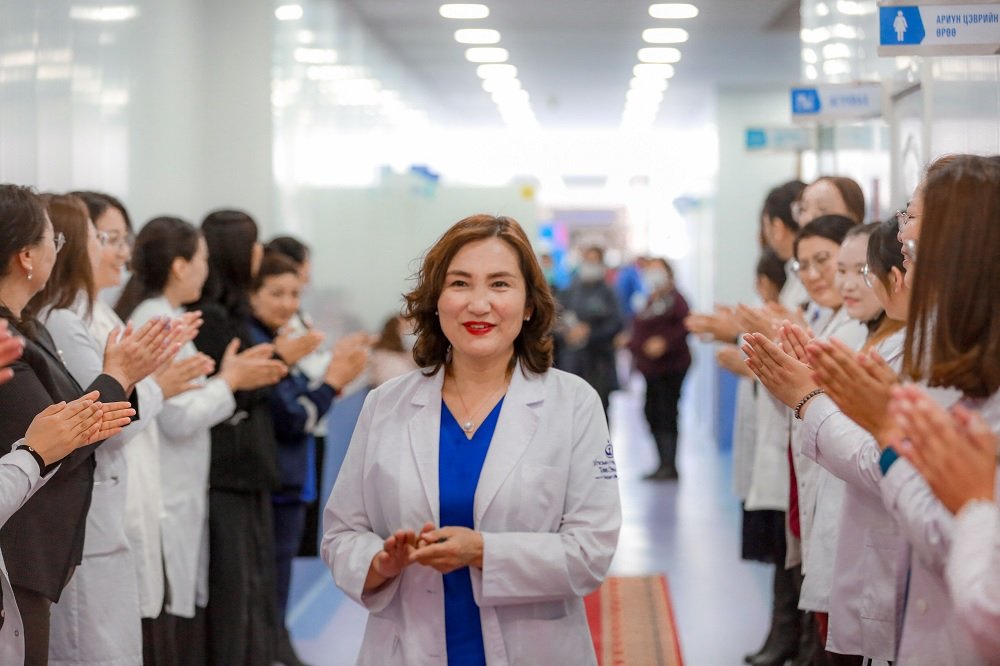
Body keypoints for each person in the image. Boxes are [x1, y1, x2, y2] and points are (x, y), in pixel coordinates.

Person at [322, 214, 621, 665]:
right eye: (460, 284)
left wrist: (483, 551)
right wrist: (380, 563)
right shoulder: (387, 404)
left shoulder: (573, 403)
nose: (479, 304)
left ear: (528, 305)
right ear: (436, 301)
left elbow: (591, 550)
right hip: (408, 647)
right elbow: (342, 533)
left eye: (500, 284)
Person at [37, 193, 198, 666]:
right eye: (103, 239)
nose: (117, 251)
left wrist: (149, 376)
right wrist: (157, 384)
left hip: (114, 505)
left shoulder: (92, 314)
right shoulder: (65, 322)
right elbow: (104, 417)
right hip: (91, 511)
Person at [116, 215, 285, 665]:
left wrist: (227, 380)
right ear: (179, 266)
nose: (206, 271)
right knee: (169, 631)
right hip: (166, 494)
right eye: (202, 259)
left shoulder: (167, 316)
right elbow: (178, 416)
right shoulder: (156, 320)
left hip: (180, 490)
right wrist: (230, 381)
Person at [0, 184, 137, 664]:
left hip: (35, 547)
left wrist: (123, 377)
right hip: (18, 548)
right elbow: (56, 440)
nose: (58, 251)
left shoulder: (26, 327)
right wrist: (118, 377)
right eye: (52, 240)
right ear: (26, 256)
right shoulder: (8, 339)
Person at [247, 252, 367, 666]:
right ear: (251, 293)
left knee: (279, 577)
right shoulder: (260, 347)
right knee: (267, 580)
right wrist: (332, 381)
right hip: (274, 482)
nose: (287, 304)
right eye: (276, 292)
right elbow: (291, 414)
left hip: (292, 478)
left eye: (294, 293)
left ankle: (277, 644)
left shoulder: (282, 348)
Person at [192, 209, 287, 666]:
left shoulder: (232, 313)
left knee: (253, 589)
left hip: (245, 473)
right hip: (226, 475)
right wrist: (280, 361)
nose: (259, 252)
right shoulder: (210, 318)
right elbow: (230, 394)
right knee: (235, 594)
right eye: (253, 243)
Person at [627, 258, 691, 480]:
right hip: (650, 370)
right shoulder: (648, 302)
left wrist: (664, 343)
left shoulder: (677, 301)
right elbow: (638, 330)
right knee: (651, 412)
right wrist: (635, 345)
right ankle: (661, 462)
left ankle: (669, 465)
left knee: (667, 413)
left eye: (658, 270)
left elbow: (684, 327)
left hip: (672, 367)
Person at [555, 246, 623, 414]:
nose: (590, 265)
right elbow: (555, 318)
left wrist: (589, 332)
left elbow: (616, 324)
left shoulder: (609, 293)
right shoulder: (570, 290)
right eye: (587, 260)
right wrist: (567, 333)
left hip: (599, 363)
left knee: (598, 411)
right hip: (572, 362)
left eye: (594, 261)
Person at [369, 314, 418, 387]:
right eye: (405, 328)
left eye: (411, 328)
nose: (410, 332)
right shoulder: (385, 359)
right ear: (394, 332)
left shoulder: (406, 354)